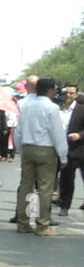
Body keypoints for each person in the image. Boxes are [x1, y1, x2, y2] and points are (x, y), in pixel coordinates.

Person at [14, 77, 69, 235]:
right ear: (50, 90)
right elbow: (57, 133)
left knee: (26, 186)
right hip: (46, 149)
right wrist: (63, 156)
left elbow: (18, 131)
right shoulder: (52, 108)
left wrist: (21, 150)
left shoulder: (26, 106)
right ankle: (42, 224)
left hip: (28, 147)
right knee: (45, 188)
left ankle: (22, 223)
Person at [64, 93, 84, 214]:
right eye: (67, 92)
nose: (69, 95)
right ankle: (64, 205)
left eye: (72, 93)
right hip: (65, 148)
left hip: (81, 149)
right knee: (66, 179)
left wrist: (80, 135)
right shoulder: (59, 108)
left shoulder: (81, 108)